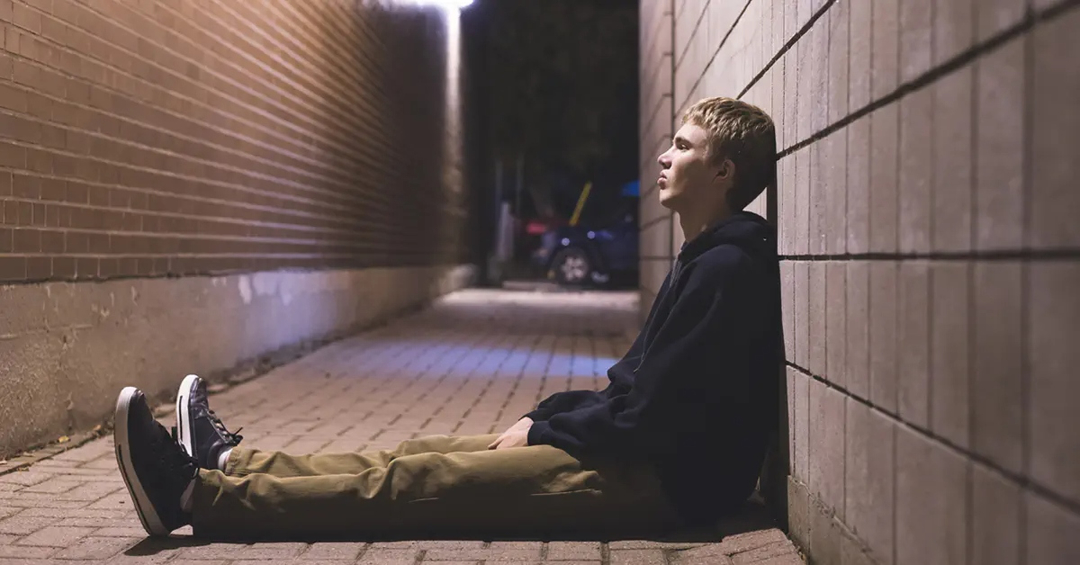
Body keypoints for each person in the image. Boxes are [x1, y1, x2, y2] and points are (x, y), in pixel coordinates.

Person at [113, 96, 782, 539]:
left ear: (723, 171)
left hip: (662, 483)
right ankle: (233, 461)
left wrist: (550, 428)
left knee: (420, 482)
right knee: (419, 452)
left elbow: (649, 416)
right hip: (637, 453)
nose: (664, 156)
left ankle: (197, 499)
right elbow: (632, 388)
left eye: (684, 147)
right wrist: (545, 418)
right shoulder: (703, 257)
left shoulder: (726, 271)